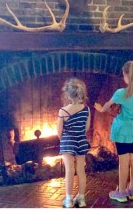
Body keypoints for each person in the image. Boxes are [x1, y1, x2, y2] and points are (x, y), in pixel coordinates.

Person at [94, 60, 133, 203]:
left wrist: (100, 109)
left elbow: (106, 106)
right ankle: (132, 190)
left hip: (122, 129)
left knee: (123, 160)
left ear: (127, 75)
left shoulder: (120, 93)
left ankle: (121, 192)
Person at [58, 78, 91, 208]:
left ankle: (69, 199)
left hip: (68, 141)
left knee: (69, 170)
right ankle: (81, 198)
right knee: (81, 170)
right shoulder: (86, 109)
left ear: (68, 94)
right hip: (81, 141)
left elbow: (58, 131)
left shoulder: (63, 111)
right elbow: (86, 128)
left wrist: (64, 139)